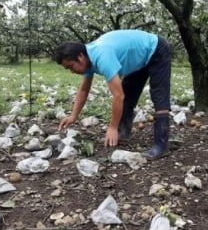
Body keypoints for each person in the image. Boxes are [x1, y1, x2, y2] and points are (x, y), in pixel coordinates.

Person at [55, 30, 172, 160]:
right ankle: (122, 133)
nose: (72, 71)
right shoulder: (89, 59)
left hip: (156, 49)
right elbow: (83, 90)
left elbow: (118, 96)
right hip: (140, 58)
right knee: (128, 94)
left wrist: (112, 127)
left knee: (159, 95)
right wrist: (73, 115)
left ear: (81, 57)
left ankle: (161, 146)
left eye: (71, 66)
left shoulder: (102, 56)